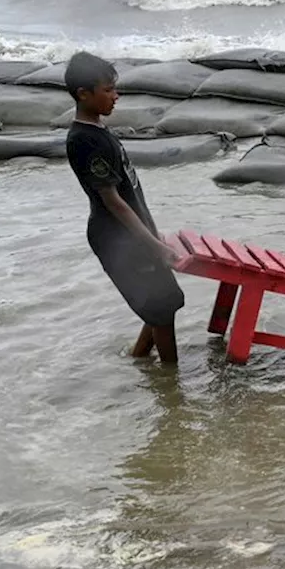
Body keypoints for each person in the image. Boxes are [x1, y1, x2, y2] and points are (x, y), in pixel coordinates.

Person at [64, 51, 185, 364]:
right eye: (107, 90)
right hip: (117, 238)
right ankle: (172, 387)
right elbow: (114, 203)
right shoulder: (84, 141)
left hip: (134, 232)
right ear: (83, 94)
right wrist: (155, 247)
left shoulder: (100, 132)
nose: (115, 97)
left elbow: (131, 193)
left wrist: (154, 232)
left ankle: (140, 360)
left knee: (164, 303)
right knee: (160, 308)